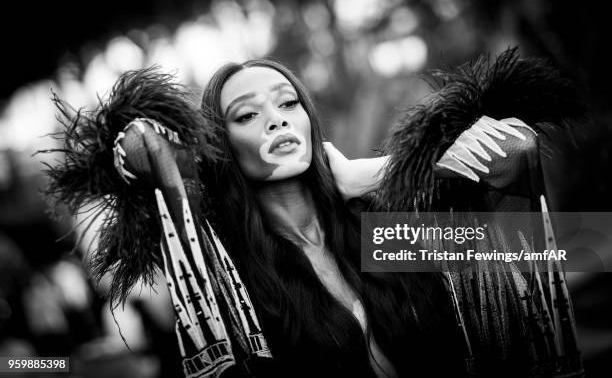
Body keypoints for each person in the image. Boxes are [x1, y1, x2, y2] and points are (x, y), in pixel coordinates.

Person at [43, 48, 584, 377]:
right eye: (247, 114)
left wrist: (366, 174)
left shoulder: (382, 235)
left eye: (288, 103)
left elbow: (579, 245)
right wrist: (153, 151)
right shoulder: (236, 275)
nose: (277, 121)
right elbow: (146, 150)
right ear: (222, 145)